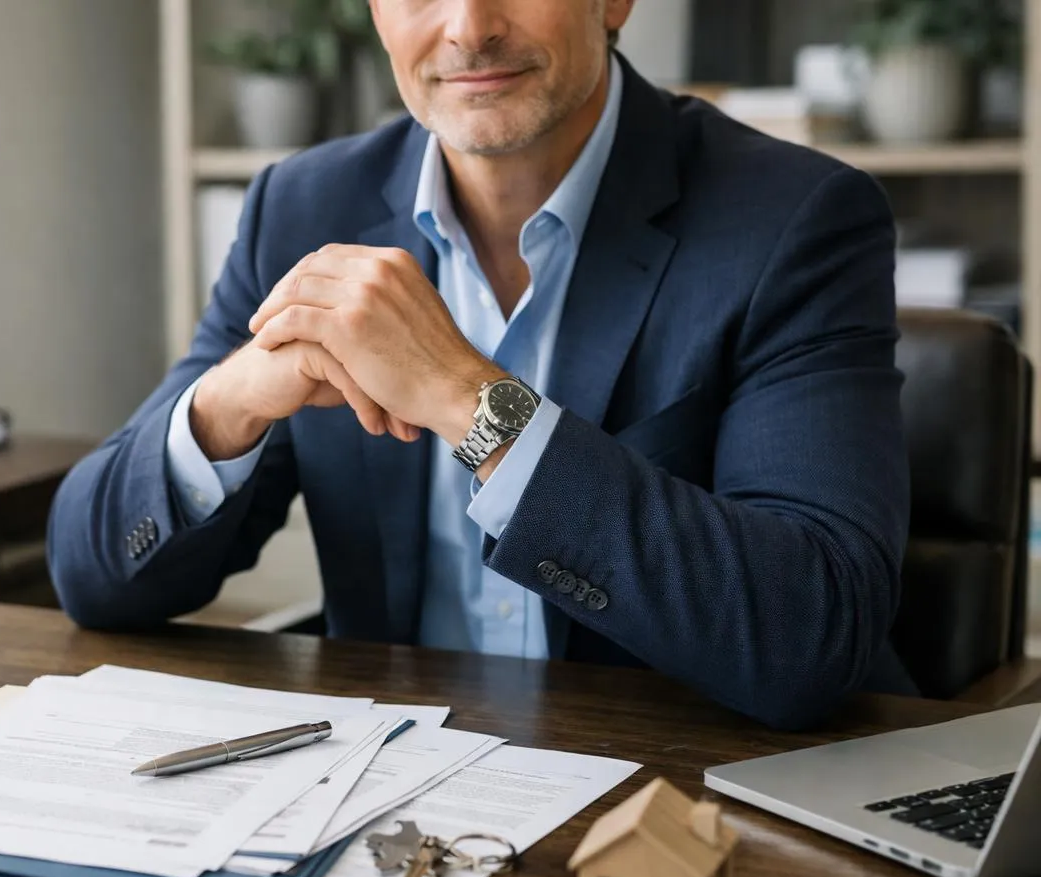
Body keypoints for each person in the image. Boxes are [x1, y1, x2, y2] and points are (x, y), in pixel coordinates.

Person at [47, 0, 912, 730]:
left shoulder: (797, 220)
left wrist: (471, 400)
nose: (468, 28)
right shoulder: (302, 205)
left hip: (681, 798)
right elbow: (91, 578)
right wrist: (227, 403)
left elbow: (813, 632)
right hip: (392, 795)